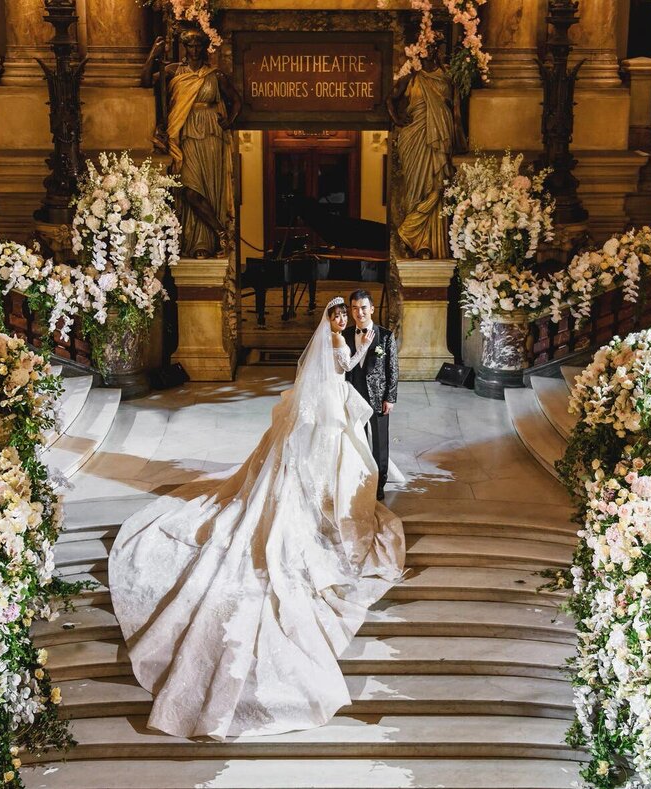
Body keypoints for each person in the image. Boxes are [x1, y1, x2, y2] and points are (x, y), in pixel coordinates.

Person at [108, 296, 405, 740]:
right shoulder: (330, 341)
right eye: (338, 315)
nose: (343, 319)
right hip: (324, 411)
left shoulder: (349, 338)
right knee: (314, 474)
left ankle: (328, 504)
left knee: (351, 468)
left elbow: (353, 365)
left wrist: (364, 355)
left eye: (347, 314)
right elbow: (336, 370)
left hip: (339, 408)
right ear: (330, 318)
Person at [141, 29, 242, 258]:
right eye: (190, 46)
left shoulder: (215, 76)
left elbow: (236, 100)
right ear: (184, 47)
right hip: (184, 132)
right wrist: (152, 55)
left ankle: (204, 244)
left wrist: (228, 121)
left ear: (204, 47)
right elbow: (146, 81)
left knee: (209, 187)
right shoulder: (173, 71)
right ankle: (220, 232)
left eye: (198, 46)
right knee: (188, 189)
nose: (194, 51)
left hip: (211, 137)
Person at [388, 37, 464, 260]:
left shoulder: (449, 74)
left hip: (441, 137)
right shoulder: (413, 74)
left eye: (434, 47)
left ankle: (431, 244)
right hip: (415, 136)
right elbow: (390, 99)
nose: (430, 51)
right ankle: (413, 238)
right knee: (416, 190)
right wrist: (397, 118)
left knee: (438, 186)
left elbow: (457, 108)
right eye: (426, 47)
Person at [341, 290, 399, 500]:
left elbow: (393, 369)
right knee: (358, 439)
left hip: (378, 397)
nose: (359, 312)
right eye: (355, 308)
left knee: (380, 442)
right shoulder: (345, 335)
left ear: (372, 309)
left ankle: (379, 483)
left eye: (363, 307)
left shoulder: (385, 336)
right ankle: (361, 477)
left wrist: (390, 398)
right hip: (353, 395)